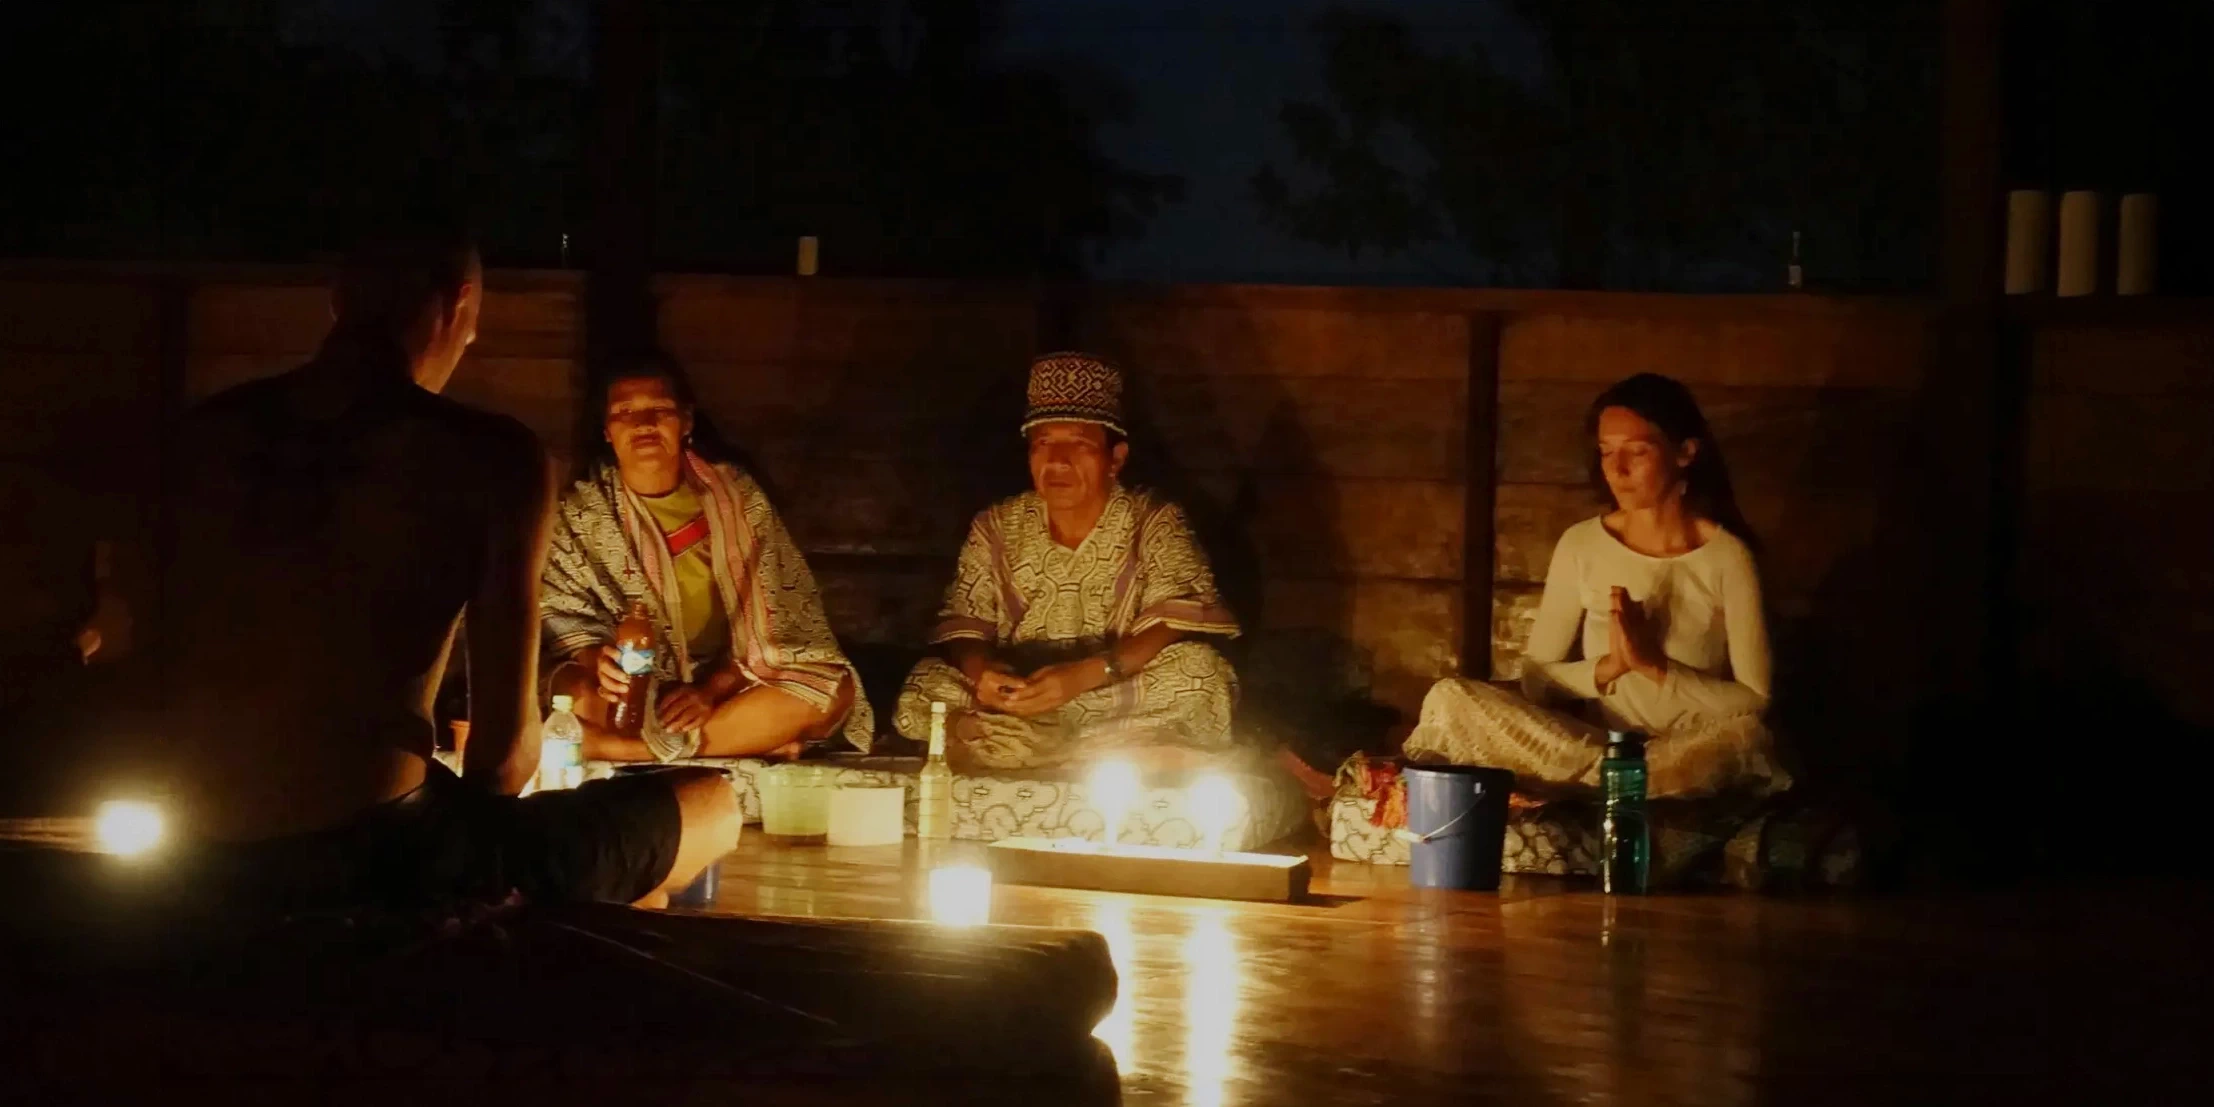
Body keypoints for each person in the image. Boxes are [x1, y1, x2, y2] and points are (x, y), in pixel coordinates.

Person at [155, 220, 738, 913]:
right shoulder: (487, 454)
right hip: (378, 848)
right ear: (462, 305)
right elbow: (504, 757)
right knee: (712, 805)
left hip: (193, 842)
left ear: (337, 299)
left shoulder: (202, 434)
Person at [1403, 373, 1790, 798]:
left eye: (1637, 452)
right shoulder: (1582, 544)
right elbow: (1537, 679)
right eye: (1606, 452)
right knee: (1451, 699)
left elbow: (1755, 701)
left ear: (1685, 452)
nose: (1617, 470)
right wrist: (1610, 667)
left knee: (1746, 740)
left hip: (1686, 753)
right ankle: (1613, 783)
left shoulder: (1727, 557)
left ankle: (1613, 787)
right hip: (1596, 748)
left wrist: (1656, 668)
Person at [894, 352, 1240, 771]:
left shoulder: (1152, 518)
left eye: (1079, 444)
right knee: (925, 685)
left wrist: (1082, 676)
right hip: (1021, 699)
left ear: (1115, 459)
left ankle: (1017, 748)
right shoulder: (995, 525)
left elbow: (1176, 621)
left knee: (1201, 675)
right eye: (1043, 443)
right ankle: (1097, 753)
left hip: (1106, 691)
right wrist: (984, 673)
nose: (1057, 461)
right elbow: (965, 625)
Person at [541, 353, 867, 762]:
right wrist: (594, 658)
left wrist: (709, 691)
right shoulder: (582, 512)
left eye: (660, 410)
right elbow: (559, 609)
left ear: (686, 421)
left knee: (831, 692)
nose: (643, 424)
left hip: (728, 679)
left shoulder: (737, 499)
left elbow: (782, 619)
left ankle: (625, 751)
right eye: (624, 413)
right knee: (578, 695)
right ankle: (743, 741)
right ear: (607, 431)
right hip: (635, 684)